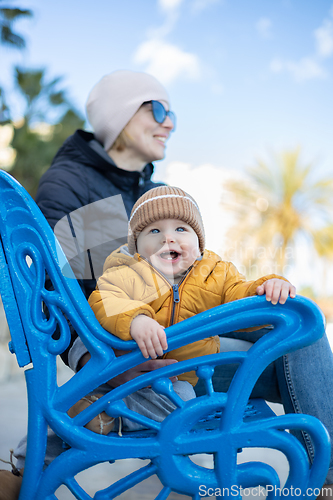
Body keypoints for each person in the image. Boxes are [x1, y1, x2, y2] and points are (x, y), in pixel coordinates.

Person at [0, 69, 180, 499]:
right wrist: (98, 358)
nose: (169, 122)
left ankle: (37, 461)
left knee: (284, 325)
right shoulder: (71, 184)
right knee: (297, 336)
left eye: (173, 114)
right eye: (156, 109)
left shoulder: (158, 194)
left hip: (171, 334)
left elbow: (186, 279)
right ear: (118, 116)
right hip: (134, 349)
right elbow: (49, 295)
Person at [67, 185, 296, 435]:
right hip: (121, 363)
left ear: (198, 244)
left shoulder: (215, 273)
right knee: (72, 398)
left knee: (182, 402)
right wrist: (137, 320)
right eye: (154, 230)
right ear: (137, 248)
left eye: (181, 229)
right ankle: (29, 458)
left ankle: (112, 418)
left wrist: (266, 287)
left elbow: (239, 295)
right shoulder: (128, 271)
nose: (168, 238)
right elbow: (106, 300)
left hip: (175, 378)